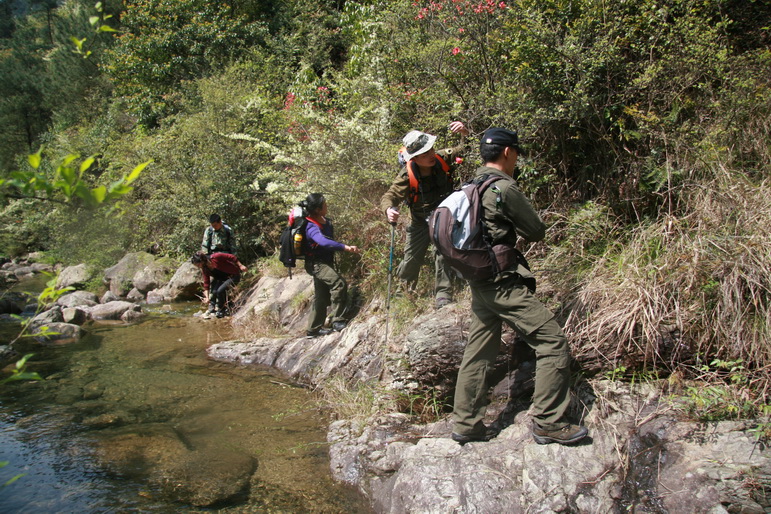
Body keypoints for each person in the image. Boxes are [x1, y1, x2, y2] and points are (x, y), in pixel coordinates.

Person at [450, 128, 588, 446]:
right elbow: (536, 230)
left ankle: (467, 423)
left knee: (479, 350)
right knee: (552, 341)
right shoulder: (502, 187)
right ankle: (548, 422)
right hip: (502, 282)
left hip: (479, 279)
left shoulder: (470, 185)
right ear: (509, 152)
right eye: (516, 154)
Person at [380, 121, 468, 309]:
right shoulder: (407, 175)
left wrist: (464, 133)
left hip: (444, 217)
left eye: (431, 150)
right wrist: (389, 209)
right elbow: (389, 196)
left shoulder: (442, 158)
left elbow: (464, 148)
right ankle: (402, 292)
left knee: (442, 252)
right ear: (414, 158)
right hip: (419, 221)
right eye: (424, 153)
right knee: (411, 258)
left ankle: (443, 293)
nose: (430, 155)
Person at [302, 193, 360, 337]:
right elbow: (323, 241)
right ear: (317, 209)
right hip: (316, 264)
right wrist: (344, 247)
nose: (327, 205)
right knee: (338, 284)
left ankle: (313, 329)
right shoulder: (310, 226)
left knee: (321, 296)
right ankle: (337, 320)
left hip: (324, 262)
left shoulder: (323, 220)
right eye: (324, 204)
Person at [191, 251, 247, 318]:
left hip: (234, 276)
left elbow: (232, 257)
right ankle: (228, 304)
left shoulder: (216, 257)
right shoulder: (205, 269)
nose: (198, 267)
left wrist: (240, 265)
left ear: (202, 261)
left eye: (198, 265)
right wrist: (207, 298)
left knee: (220, 291)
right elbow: (206, 283)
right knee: (214, 291)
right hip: (222, 279)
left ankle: (221, 310)